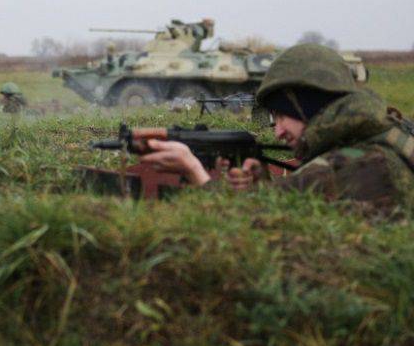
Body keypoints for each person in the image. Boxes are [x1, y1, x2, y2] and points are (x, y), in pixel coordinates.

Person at [139, 44, 414, 218]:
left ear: (308, 105)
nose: (278, 131)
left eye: (282, 115)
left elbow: (249, 229)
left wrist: (194, 171)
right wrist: (266, 189)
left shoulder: (342, 166)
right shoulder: (389, 133)